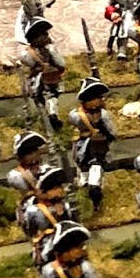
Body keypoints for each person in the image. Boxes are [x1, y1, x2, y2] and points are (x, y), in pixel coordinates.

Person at [69, 78, 117, 211]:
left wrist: (106, 138)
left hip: (97, 148)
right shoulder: (76, 115)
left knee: (96, 172)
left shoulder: (103, 115)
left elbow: (111, 131)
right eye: (96, 98)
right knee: (83, 174)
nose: (99, 100)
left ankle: (96, 196)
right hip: (82, 147)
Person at [16, 17, 66, 131]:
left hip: (37, 78)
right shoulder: (50, 49)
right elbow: (61, 63)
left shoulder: (26, 53)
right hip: (48, 76)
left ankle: (47, 115)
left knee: (41, 96)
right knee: (52, 96)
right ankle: (51, 114)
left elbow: (27, 62)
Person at [20, 165, 72, 260]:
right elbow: (30, 231)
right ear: (45, 192)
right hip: (45, 245)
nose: (61, 190)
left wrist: (62, 216)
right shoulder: (33, 210)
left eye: (60, 186)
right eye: (55, 188)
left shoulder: (65, 205)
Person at [4, 131, 48, 204]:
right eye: (30, 153)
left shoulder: (43, 169)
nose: (37, 154)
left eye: (35, 151)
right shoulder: (15, 175)